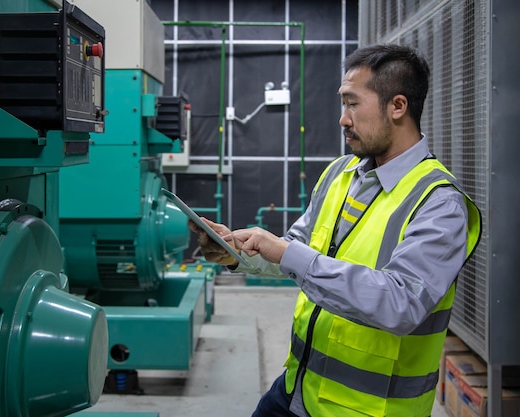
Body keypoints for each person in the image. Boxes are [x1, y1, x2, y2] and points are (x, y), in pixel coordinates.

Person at [189, 44, 482, 417]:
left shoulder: (439, 203)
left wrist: (287, 253)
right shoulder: (340, 174)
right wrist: (236, 253)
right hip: (299, 387)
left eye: (353, 103)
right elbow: (295, 251)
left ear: (398, 106)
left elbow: (401, 304)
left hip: (366, 409)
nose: (343, 119)